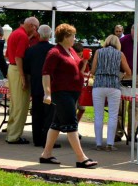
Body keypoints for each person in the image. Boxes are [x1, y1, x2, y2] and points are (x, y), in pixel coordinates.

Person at [38, 24, 96, 169]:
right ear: (65, 37)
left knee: (56, 124)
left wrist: (84, 63)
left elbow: (77, 70)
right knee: (71, 124)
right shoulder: (55, 52)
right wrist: (47, 93)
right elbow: (46, 73)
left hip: (72, 92)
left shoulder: (71, 51)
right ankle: (81, 158)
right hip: (62, 93)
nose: (74, 38)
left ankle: (46, 154)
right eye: (72, 36)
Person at [90, 34, 131, 151]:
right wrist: (120, 75)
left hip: (99, 85)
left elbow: (93, 70)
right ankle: (109, 144)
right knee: (113, 116)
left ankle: (98, 143)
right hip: (114, 86)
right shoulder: (120, 54)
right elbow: (129, 72)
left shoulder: (98, 52)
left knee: (98, 115)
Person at [5, 17, 39, 145]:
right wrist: (23, 77)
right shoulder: (23, 36)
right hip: (18, 70)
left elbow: (8, 54)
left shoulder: (15, 33)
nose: (35, 30)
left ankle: (11, 133)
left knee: (15, 104)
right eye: (35, 27)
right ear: (30, 25)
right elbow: (19, 57)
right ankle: (14, 136)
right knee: (21, 105)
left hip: (12, 69)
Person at [23, 25, 55, 149]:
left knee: (36, 113)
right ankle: (47, 140)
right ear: (50, 35)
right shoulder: (53, 50)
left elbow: (27, 69)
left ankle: (37, 139)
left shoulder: (31, 50)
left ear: (39, 34)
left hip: (36, 84)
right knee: (49, 115)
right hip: (50, 86)